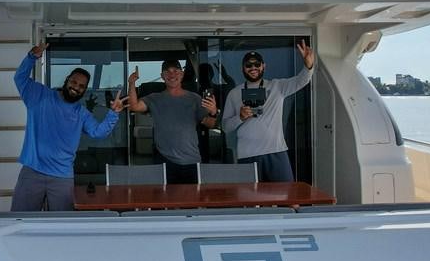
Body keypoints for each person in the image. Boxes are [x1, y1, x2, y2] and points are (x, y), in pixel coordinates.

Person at [10, 41, 125, 211]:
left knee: (63, 224)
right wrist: (31, 57)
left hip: (62, 177)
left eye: (81, 87)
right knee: (20, 220)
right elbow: (20, 78)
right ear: (67, 80)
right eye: (74, 82)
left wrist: (113, 113)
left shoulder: (82, 113)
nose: (76, 88)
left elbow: (98, 133)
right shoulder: (39, 95)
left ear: (84, 91)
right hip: (32, 171)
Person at [221, 40, 315, 182]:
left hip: (276, 152)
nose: (253, 68)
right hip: (247, 155)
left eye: (257, 64)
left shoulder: (277, 86)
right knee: (251, 200)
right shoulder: (234, 93)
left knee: (285, 197)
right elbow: (226, 127)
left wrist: (308, 66)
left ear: (264, 66)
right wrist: (240, 117)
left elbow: (301, 81)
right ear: (243, 68)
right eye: (248, 65)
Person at [128, 58, 217, 184]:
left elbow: (210, 123)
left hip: (191, 160)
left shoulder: (195, 99)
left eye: (176, 71)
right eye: (167, 72)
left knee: (192, 201)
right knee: (165, 201)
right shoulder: (154, 98)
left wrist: (213, 111)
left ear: (182, 74)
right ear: (162, 76)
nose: (172, 75)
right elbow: (134, 106)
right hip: (164, 160)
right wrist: (131, 83)